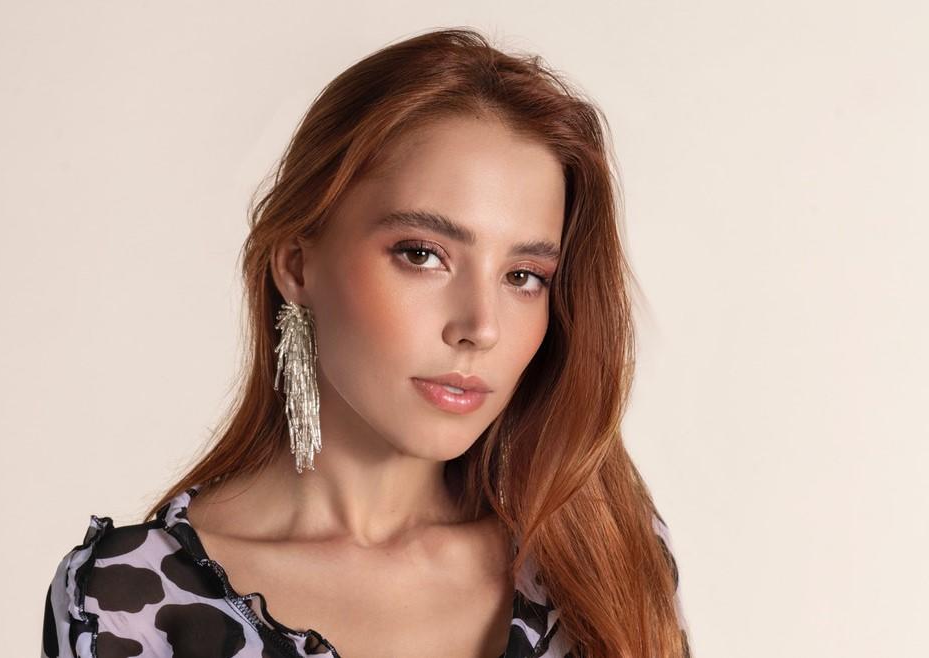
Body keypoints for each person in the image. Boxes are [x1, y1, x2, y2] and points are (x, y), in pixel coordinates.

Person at [41, 27, 691, 658]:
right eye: (423, 254)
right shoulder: (126, 603)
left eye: (523, 276)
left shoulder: (601, 559)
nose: (481, 326)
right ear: (298, 265)